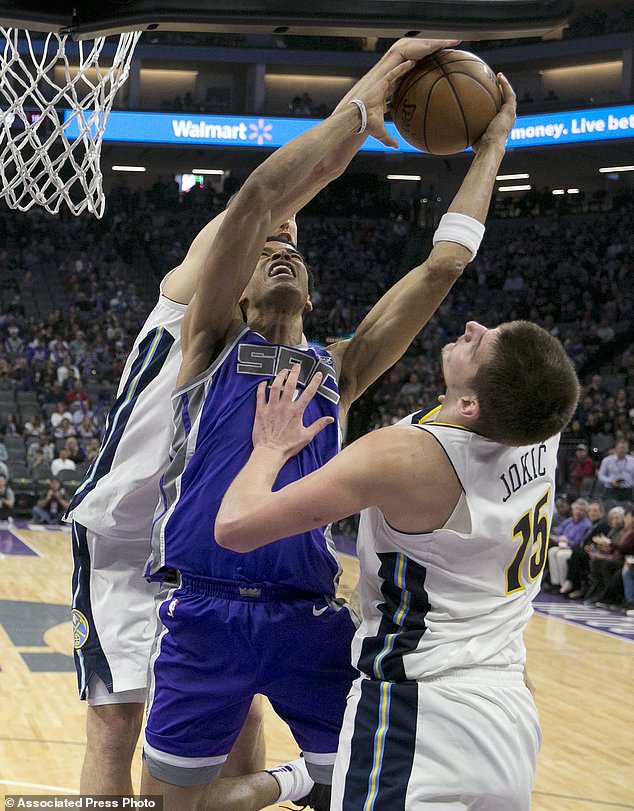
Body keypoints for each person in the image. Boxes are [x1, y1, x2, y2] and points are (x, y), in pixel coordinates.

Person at [68, 36, 459, 804]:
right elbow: (273, 191)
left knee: (244, 717)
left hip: (230, 544)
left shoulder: (296, 347)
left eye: (294, 240)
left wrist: (354, 127)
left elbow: (301, 189)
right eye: (275, 236)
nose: (285, 238)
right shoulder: (196, 290)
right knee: (118, 727)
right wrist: (364, 97)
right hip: (126, 527)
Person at [141, 53, 516, 811]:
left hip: (307, 615)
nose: (282, 254)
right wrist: (355, 112)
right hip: (202, 612)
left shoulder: (337, 369)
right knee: (169, 808)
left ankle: (310, 778)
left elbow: (442, 267)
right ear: (235, 288)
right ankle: (292, 778)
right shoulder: (210, 344)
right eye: (267, 255)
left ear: (311, 289)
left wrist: (492, 149)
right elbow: (256, 203)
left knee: (366, 792)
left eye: (293, 254)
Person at [215, 317, 580, 811]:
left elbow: (235, 527)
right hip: (509, 709)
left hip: (416, 711)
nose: (470, 325)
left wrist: (270, 449)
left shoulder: (406, 458)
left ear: (472, 405)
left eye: (482, 343)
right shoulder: (537, 427)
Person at [546, 498, 592, 590]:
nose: (578, 512)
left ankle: (564, 584)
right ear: (573, 509)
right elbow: (558, 533)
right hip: (562, 545)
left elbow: (577, 542)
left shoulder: (586, 524)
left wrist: (565, 540)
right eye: (576, 509)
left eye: (581, 510)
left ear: (585, 512)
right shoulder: (569, 521)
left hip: (574, 548)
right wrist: (561, 539)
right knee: (551, 551)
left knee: (561, 555)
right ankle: (555, 583)